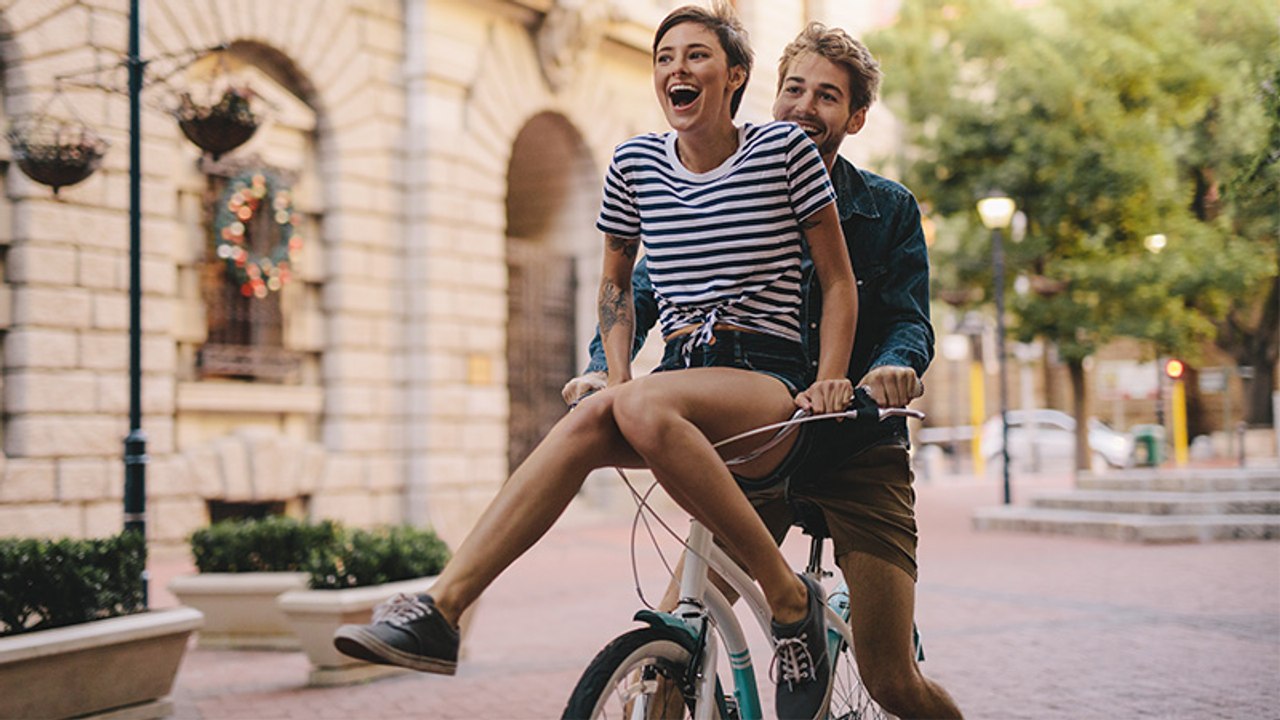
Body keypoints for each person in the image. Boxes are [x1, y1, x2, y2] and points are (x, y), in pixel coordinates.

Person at [334, 5, 857, 718]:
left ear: (734, 76)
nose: (678, 68)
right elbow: (615, 284)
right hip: (678, 378)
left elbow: (836, 278)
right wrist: (614, 379)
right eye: (664, 56)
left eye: (697, 55)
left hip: (766, 386)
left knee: (637, 400)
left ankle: (787, 599)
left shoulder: (783, 154)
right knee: (591, 418)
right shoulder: (634, 163)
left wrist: (829, 377)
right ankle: (442, 610)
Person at [563, 22, 964, 719]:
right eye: (795, 89)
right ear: (770, 96)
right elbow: (646, 292)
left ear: (857, 117)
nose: (806, 106)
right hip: (755, 447)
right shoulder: (730, 187)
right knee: (674, 641)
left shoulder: (888, 208)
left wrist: (891, 369)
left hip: (854, 445)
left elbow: (906, 318)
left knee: (891, 679)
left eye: (829, 97)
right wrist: (604, 371)